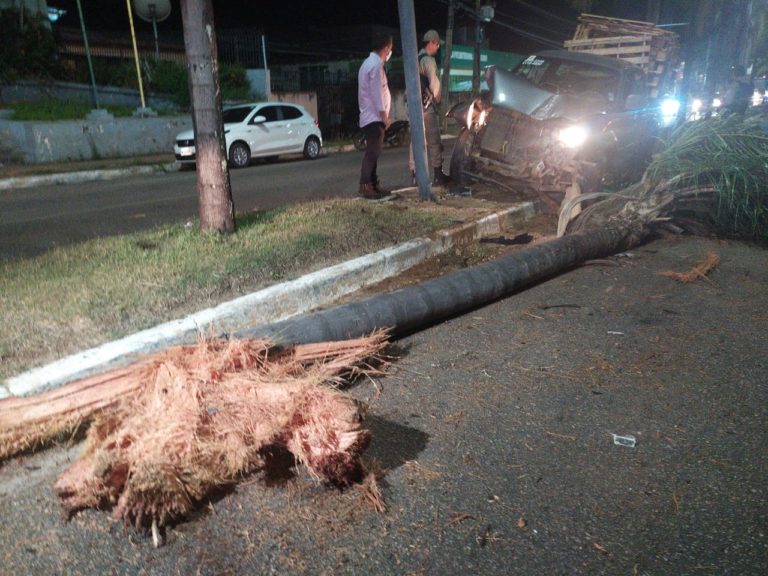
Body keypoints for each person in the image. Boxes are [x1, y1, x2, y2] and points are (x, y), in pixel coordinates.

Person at [411, 29, 451, 187]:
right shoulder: (428, 61)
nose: (438, 48)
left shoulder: (414, 59)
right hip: (427, 106)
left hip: (414, 106)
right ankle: (438, 175)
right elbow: (434, 84)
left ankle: (415, 174)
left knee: (415, 141)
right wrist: (436, 101)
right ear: (432, 43)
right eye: (437, 44)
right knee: (434, 140)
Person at [357, 33, 393, 199]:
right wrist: (384, 116)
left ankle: (373, 184)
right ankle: (366, 185)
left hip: (370, 116)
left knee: (374, 152)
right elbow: (376, 94)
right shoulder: (375, 65)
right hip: (374, 117)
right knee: (372, 152)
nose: (390, 51)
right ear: (386, 47)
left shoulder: (368, 63)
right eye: (390, 48)